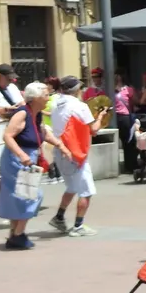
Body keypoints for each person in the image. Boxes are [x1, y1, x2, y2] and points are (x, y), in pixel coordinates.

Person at [0, 82, 71, 250]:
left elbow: (43, 133)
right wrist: (22, 155)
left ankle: (15, 234)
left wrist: (61, 146)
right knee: (31, 195)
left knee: (19, 197)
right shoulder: (22, 113)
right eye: (46, 95)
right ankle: (18, 235)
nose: (48, 97)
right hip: (16, 158)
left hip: (28, 157)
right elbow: (7, 136)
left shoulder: (35, 114)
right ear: (36, 97)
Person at [48, 76, 108, 237]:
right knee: (86, 191)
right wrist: (101, 116)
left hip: (60, 150)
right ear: (76, 90)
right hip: (75, 153)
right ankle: (78, 226)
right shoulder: (79, 106)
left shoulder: (55, 103)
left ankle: (59, 217)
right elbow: (94, 129)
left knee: (72, 187)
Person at [114, 73, 138, 174]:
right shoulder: (128, 90)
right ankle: (131, 166)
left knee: (122, 141)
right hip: (125, 117)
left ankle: (125, 166)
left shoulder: (110, 90)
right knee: (129, 142)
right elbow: (135, 101)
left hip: (114, 118)